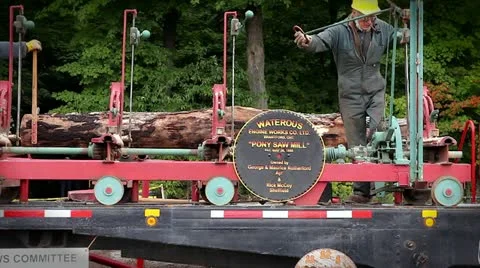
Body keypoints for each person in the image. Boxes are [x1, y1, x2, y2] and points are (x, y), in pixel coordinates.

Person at [294, 0, 407, 203]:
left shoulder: (382, 28)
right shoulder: (338, 31)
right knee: (356, 142)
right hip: (350, 96)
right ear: (353, 13)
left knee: (377, 131)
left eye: (373, 16)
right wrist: (306, 40)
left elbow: (400, 37)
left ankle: (383, 183)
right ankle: (362, 193)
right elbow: (318, 42)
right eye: (365, 17)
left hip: (375, 91)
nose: (370, 21)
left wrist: (407, 27)